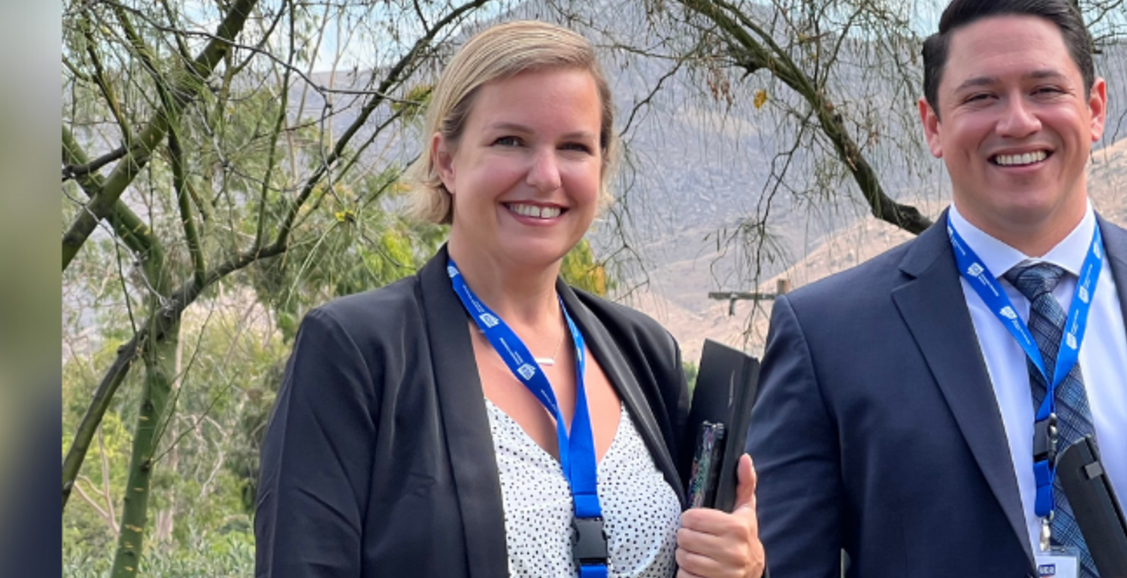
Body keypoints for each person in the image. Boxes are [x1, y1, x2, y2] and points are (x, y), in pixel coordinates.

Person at [253, 21, 764, 578]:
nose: (545, 176)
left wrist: (742, 565)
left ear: (600, 166)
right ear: (446, 160)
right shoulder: (356, 351)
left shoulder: (643, 353)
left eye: (573, 147)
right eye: (510, 141)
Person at [745, 0, 1127, 576]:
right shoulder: (827, 335)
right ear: (933, 126)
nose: (1018, 121)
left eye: (1045, 89)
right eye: (980, 97)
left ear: (1095, 108)